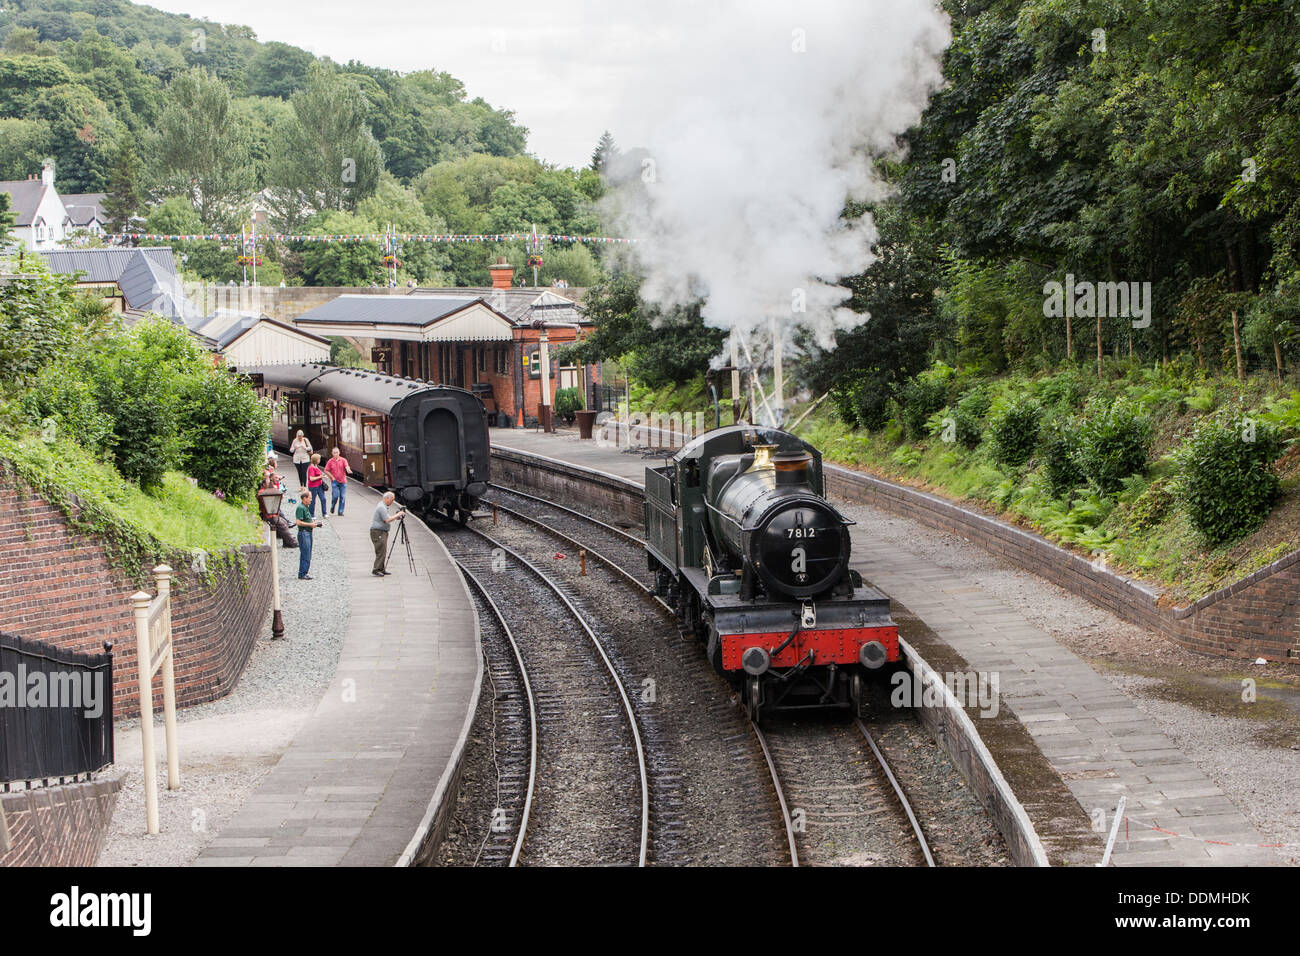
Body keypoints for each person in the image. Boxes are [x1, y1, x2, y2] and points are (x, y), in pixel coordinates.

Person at [370, 491, 405, 576]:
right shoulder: (381, 507)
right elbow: (387, 520)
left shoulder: (383, 506)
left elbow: (387, 518)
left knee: (383, 550)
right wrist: (398, 514)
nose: (392, 502)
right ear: (387, 498)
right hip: (378, 532)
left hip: (381, 531)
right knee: (381, 551)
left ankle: (381, 569)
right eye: (392, 500)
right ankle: (376, 569)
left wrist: (396, 518)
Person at [295, 489, 323, 579]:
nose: (311, 499)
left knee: (308, 553)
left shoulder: (305, 507)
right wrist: (311, 524)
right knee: (305, 554)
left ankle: (304, 572)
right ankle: (302, 573)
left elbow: (306, 519)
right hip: (304, 533)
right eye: (310, 498)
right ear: (304, 498)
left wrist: (314, 523)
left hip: (308, 533)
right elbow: (298, 522)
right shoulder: (300, 508)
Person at [323, 447, 354, 516]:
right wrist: (332, 477)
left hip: (343, 481)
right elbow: (326, 470)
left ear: (339, 453)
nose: (336, 454)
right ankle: (332, 506)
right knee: (335, 496)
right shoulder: (330, 461)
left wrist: (348, 470)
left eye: (337, 452)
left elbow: (346, 466)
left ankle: (340, 511)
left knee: (342, 497)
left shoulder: (343, 460)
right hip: (335, 482)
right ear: (332, 454)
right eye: (334, 453)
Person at [306, 453, 329, 518]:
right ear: (316, 460)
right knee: (312, 500)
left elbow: (319, 474)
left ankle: (324, 513)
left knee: (323, 499)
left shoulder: (316, 467)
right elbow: (311, 478)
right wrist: (320, 476)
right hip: (313, 486)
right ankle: (312, 514)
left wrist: (323, 476)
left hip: (319, 485)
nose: (320, 460)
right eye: (319, 459)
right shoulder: (311, 468)